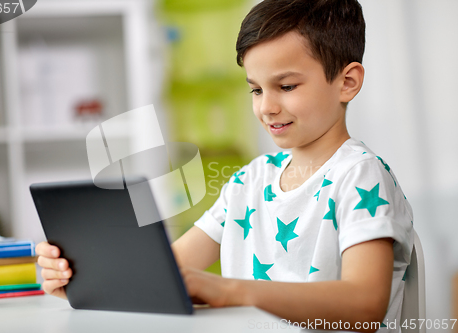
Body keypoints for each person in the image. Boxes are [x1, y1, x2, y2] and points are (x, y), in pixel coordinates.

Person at [36, 0, 413, 332]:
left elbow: (365, 306)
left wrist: (230, 291)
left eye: (287, 86)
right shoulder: (248, 182)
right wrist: (82, 277)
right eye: (256, 89)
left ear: (347, 82)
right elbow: (162, 276)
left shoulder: (360, 176)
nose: (266, 106)